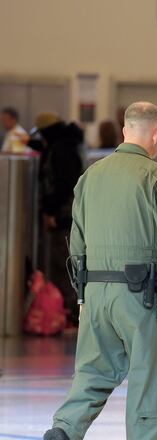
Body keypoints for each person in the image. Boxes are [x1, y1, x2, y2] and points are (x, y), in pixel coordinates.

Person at [43, 102, 157, 440]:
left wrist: (83, 296)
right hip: (141, 294)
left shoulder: (89, 177)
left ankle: (65, 429)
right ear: (156, 134)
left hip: (95, 290)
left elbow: (76, 243)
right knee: (151, 375)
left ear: (126, 131)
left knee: (93, 370)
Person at [27, 112, 85, 326]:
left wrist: (51, 212)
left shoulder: (61, 150)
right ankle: (69, 312)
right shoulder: (65, 144)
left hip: (64, 217)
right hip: (68, 215)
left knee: (64, 266)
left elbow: (63, 185)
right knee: (66, 264)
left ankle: (70, 314)